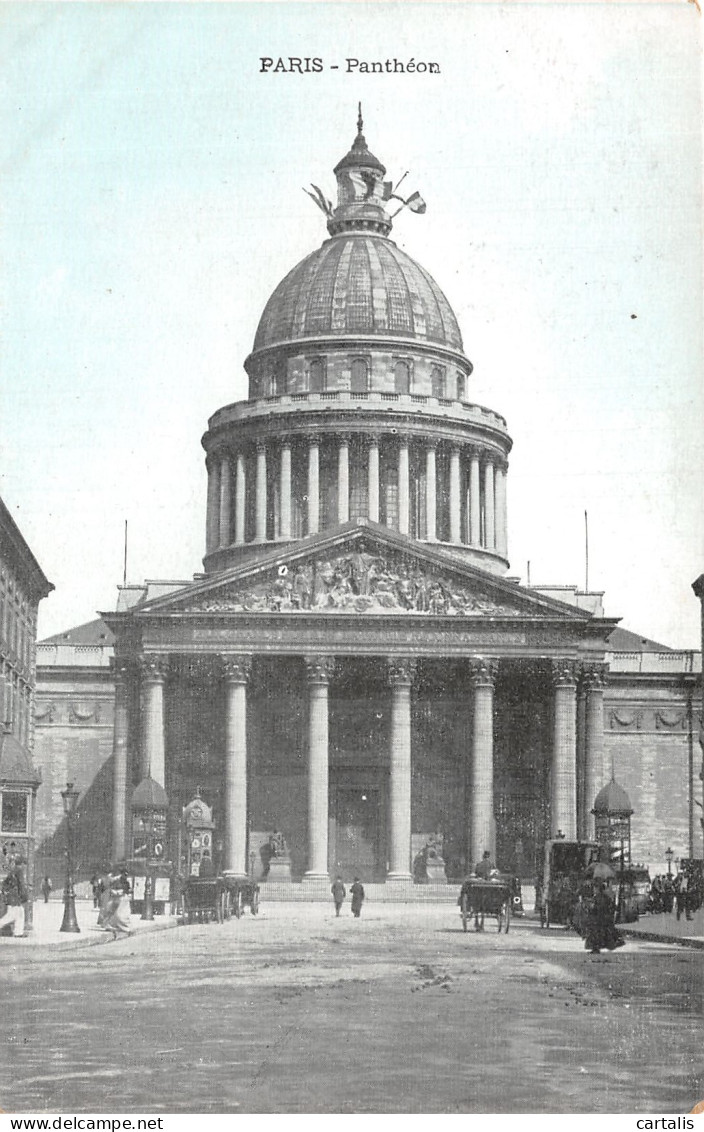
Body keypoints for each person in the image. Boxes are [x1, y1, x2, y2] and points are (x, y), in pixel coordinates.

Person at [584, 882, 626, 954]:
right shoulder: (605, 897)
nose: (594, 890)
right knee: (602, 934)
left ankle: (596, 948)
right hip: (604, 918)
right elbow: (612, 907)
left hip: (598, 919)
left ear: (598, 889)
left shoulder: (598, 897)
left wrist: (590, 907)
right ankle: (598, 948)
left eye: (595, 888)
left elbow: (597, 908)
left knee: (596, 934)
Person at [0, 861, 29, 937]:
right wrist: (24, 896)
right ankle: (18, 933)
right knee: (12, 915)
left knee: (19, 913)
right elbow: (21, 884)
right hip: (16, 897)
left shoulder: (12, 871)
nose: (25, 867)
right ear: (22, 864)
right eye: (24, 865)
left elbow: (5, 883)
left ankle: (18, 932)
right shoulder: (19, 871)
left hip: (11, 897)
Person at [102, 872, 132, 940]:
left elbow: (126, 889)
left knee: (120, 914)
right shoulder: (115, 879)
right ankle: (109, 925)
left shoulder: (125, 882)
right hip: (114, 897)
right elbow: (109, 887)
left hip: (121, 898)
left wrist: (122, 892)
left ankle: (123, 927)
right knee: (110, 911)